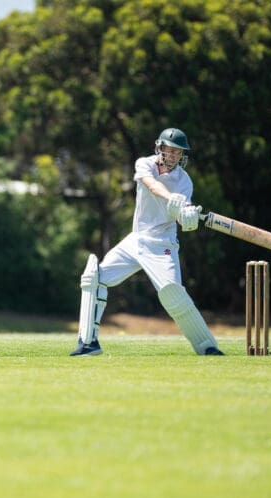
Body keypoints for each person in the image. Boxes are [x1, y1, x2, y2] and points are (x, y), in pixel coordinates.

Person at [71, 127, 224, 356]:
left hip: (162, 243)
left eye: (178, 153)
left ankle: (207, 347)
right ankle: (88, 343)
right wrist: (171, 197)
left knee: (173, 294)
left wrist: (187, 216)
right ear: (159, 148)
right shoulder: (144, 164)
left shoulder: (185, 182)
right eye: (169, 151)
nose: (173, 156)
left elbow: (184, 219)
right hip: (136, 239)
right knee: (95, 279)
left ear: (182, 156)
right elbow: (151, 184)